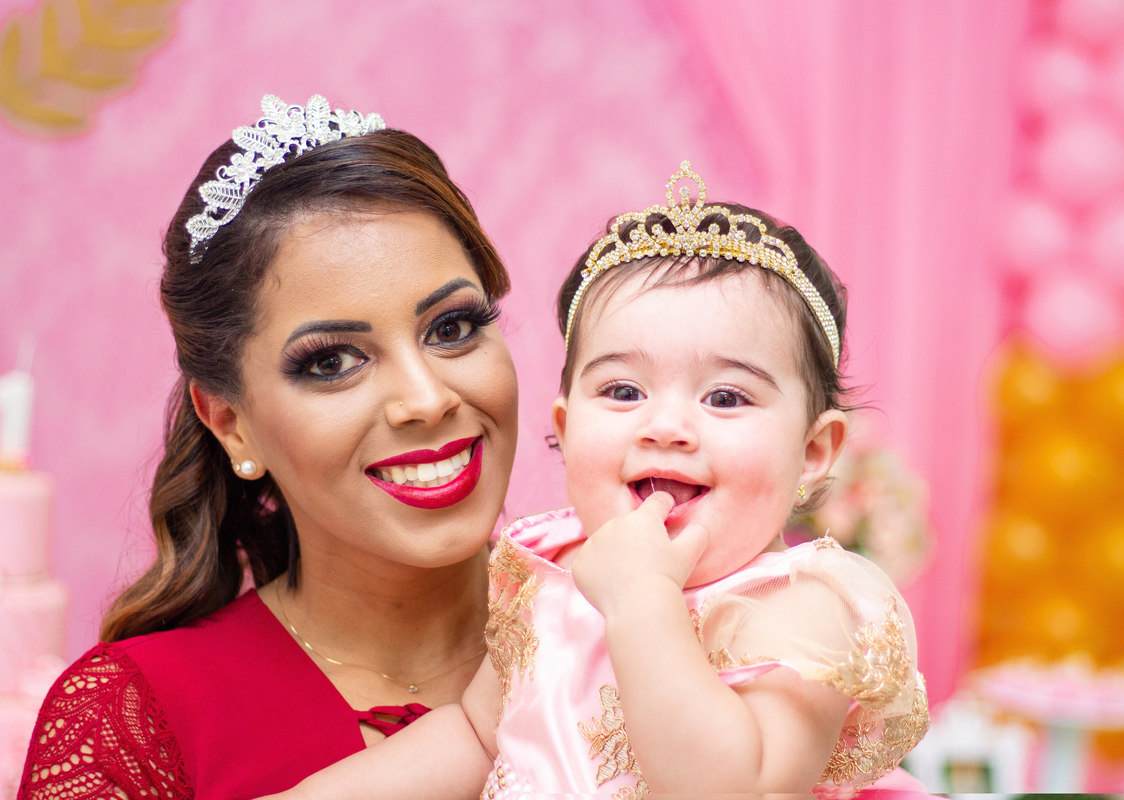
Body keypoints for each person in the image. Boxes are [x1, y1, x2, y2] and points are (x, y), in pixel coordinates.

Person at [264, 161, 930, 799]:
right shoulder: (550, 573)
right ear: (566, 423)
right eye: (622, 390)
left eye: (725, 398)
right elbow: (475, 736)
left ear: (815, 452)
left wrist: (644, 598)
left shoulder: (794, 606)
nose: (666, 426)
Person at [17, 94, 520, 798]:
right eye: (332, 362)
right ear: (231, 423)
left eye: (452, 328)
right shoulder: (131, 722)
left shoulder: (654, 629)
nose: (428, 399)